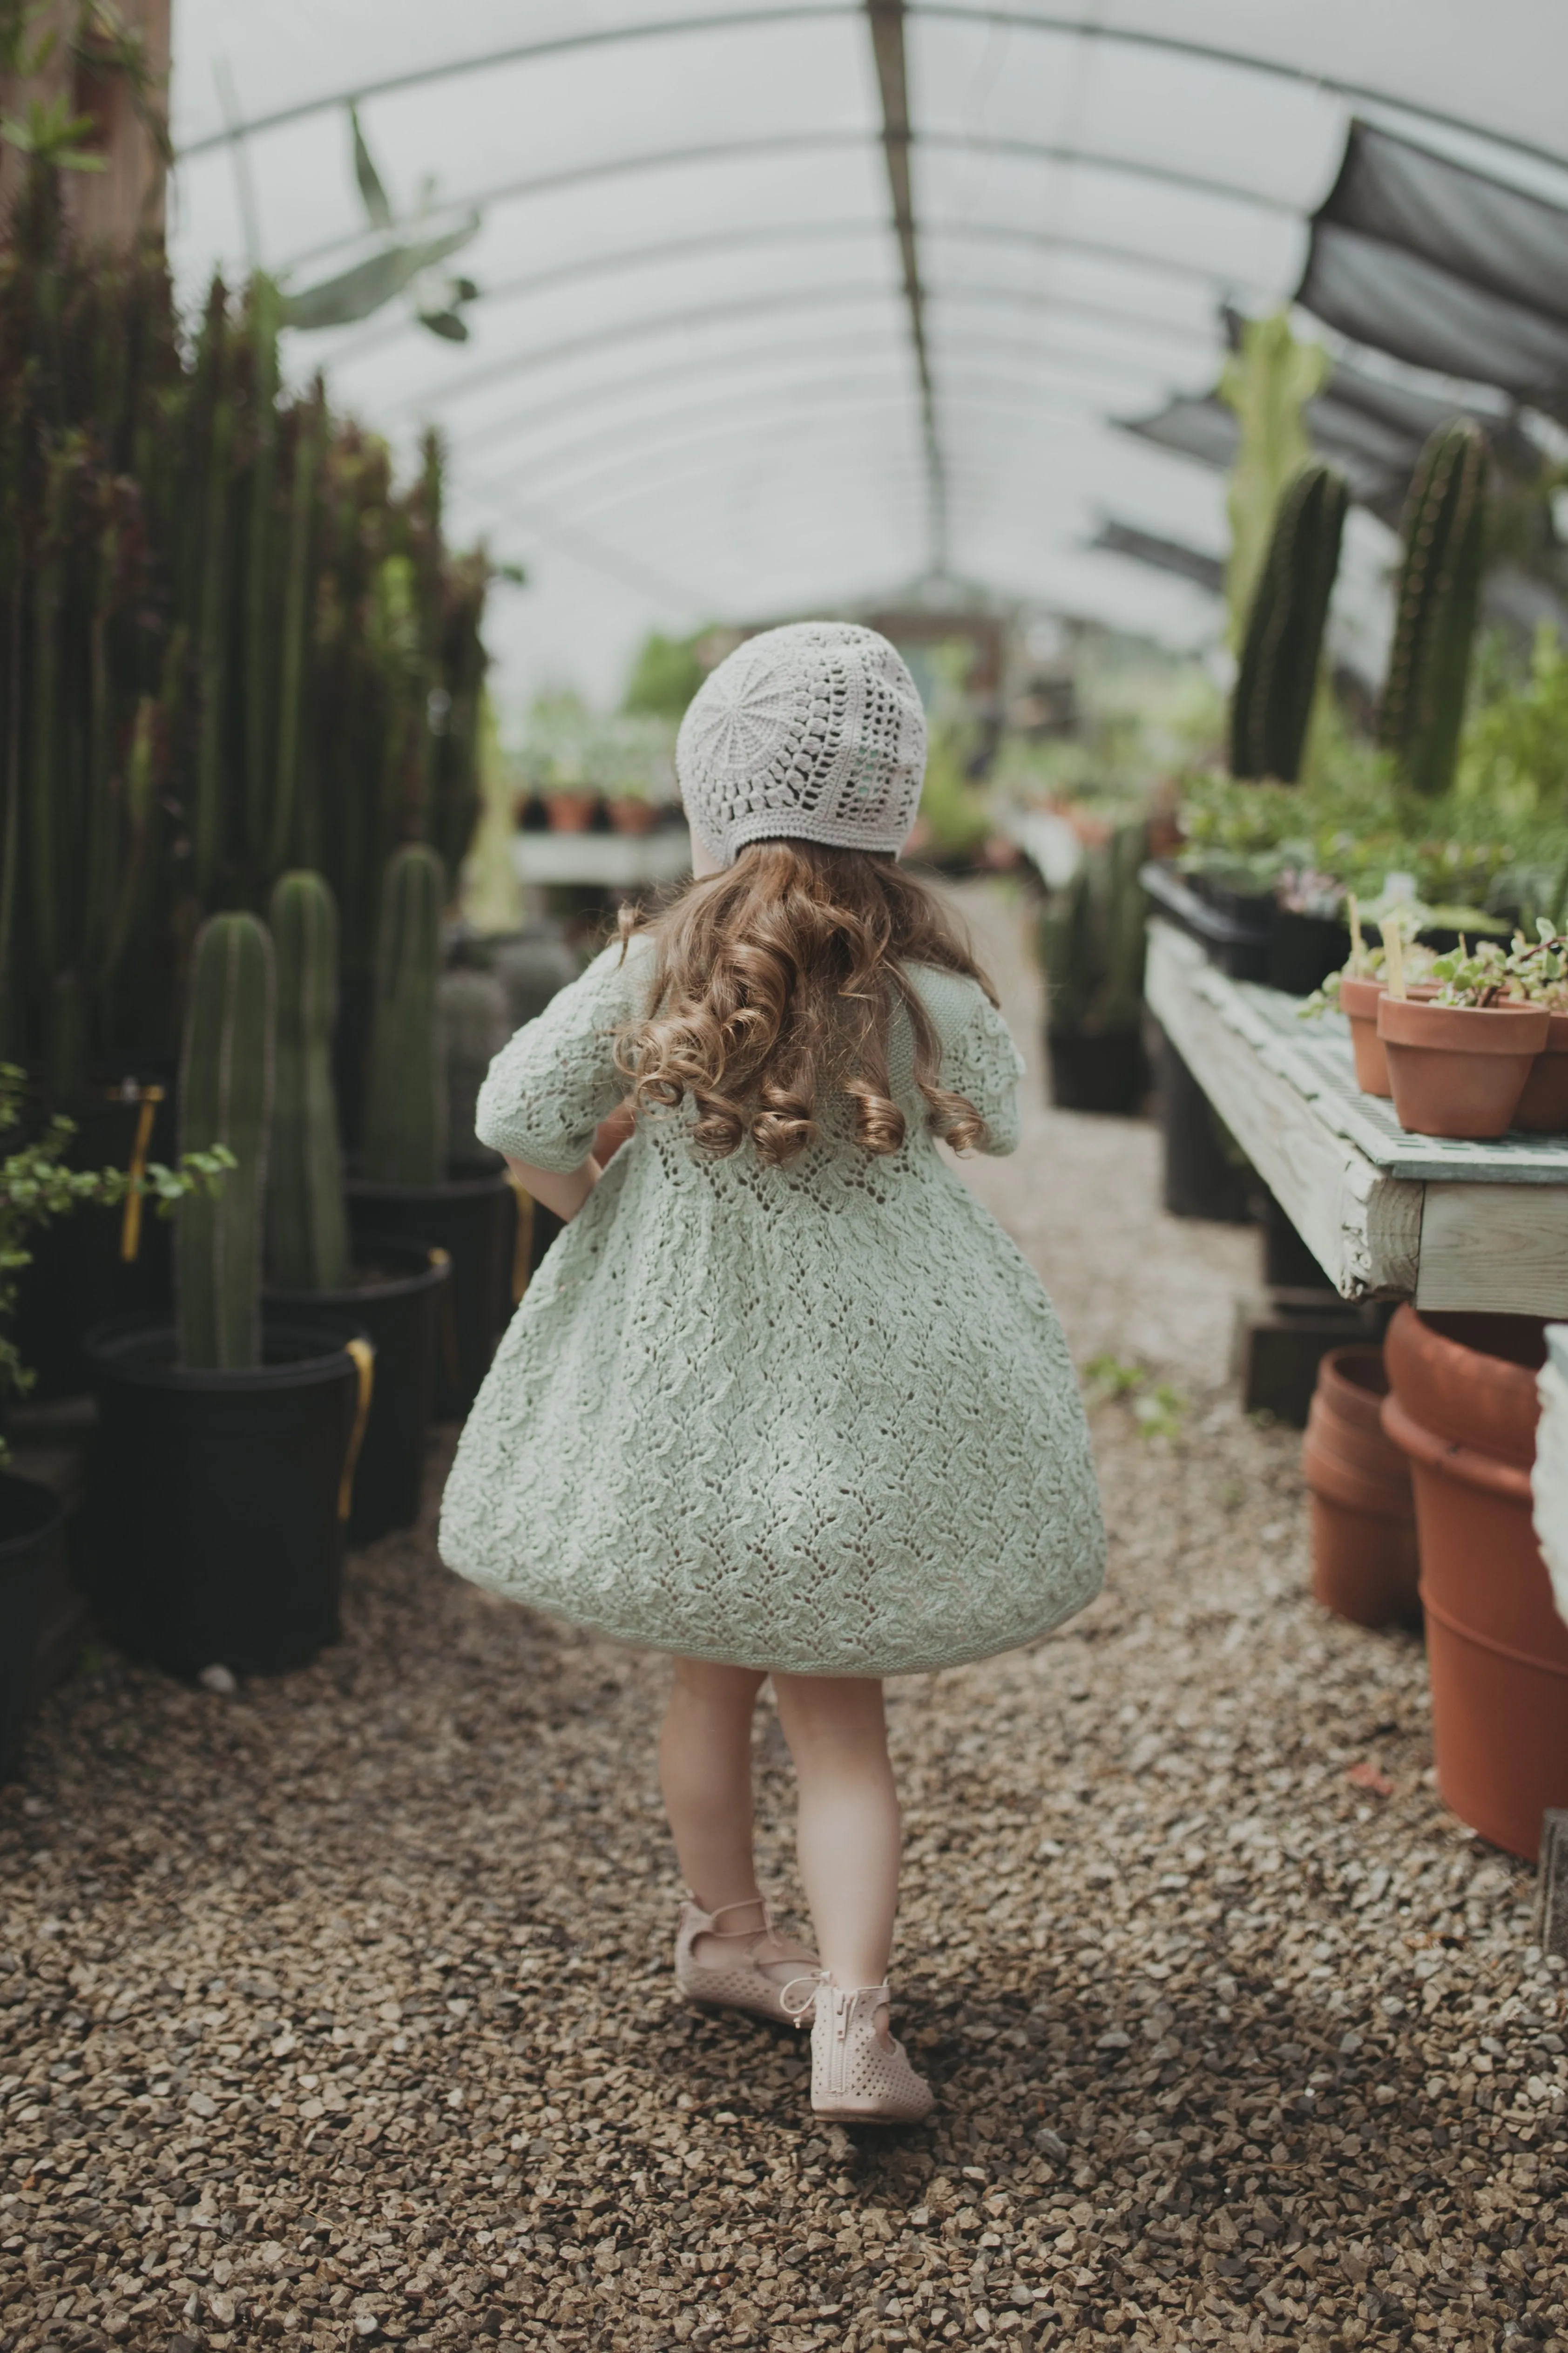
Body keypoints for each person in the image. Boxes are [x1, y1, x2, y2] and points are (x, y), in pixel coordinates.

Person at [439, 623, 1105, 2122]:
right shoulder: (916, 978)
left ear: (712, 791)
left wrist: (591, 1204)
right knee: (837, 1718)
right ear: (899, 799)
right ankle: (853, 2022)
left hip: (693, 1403)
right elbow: (1000, 1111)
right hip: (856, 1412)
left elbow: (515, 1113)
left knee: (705, 1674)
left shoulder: (655, 964)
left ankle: (730, 1937)